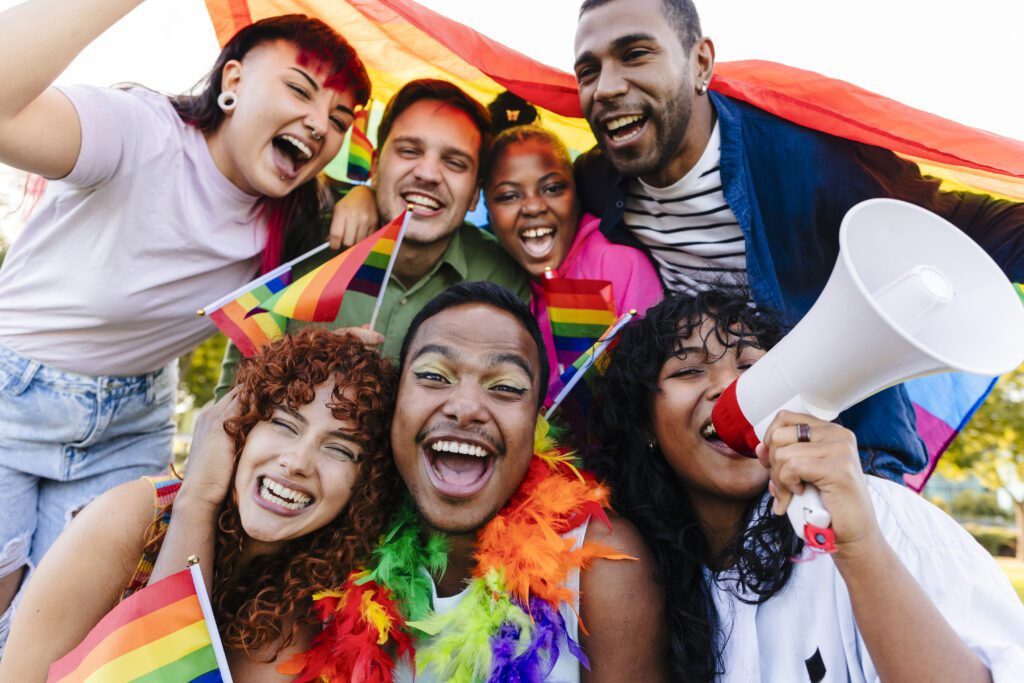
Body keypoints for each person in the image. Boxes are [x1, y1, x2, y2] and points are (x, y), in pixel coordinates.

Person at [0, 1, 372, 628]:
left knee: (72, 623)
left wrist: (364, 188)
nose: (318, 125)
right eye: (299, 89)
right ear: (232, 82)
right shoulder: (140, 130)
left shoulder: (293, 214)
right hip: (14, 395)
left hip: (133, 416)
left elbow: (404, 183)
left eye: (338, 120)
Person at [572, 0, 1024, 481]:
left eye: (636, 53)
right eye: (588, 71)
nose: (607, 87)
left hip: (845, 458)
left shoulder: (808, 160)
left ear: (700, 62)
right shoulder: (598, 183)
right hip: (709, 462)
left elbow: (958, 222)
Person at [587, 290, 1024, 682]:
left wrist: (860, 547)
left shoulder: (879, 513)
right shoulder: (650, 578)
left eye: (750, 366)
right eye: (689, 370)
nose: (728, 386)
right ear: (645, 422)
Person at [0, 328, 402, 681]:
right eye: (284, 423)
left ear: (365, 486)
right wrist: (197, 501)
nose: (298, 461)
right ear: (240, 424)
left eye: (340, 449)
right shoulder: (134, 518)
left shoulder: (330, 596)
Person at [215, 79, 529, 397]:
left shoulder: (502, 279)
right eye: (409, 151)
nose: (428, 174)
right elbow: (231, 403)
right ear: (376, 166)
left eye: (454, 163)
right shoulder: (306, 243)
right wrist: (314, 362)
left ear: (475, 194)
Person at [482, 124, 663, 387]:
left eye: (553, 188)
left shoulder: (616, 263)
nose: (533, 206)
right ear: (488, 211)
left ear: (577, 196)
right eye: (509, 196)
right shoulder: (492, 276)